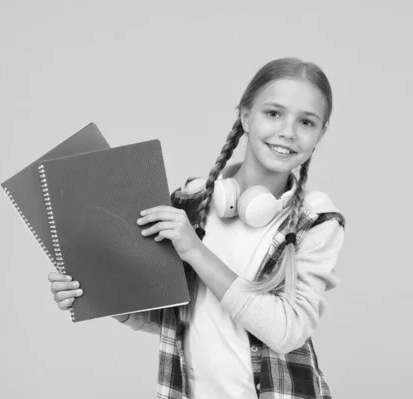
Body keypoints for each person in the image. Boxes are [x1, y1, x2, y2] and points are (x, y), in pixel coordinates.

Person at [48, 57, 346, 399]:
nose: (288, 132)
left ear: (319, 134)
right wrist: (96, 294)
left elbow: (286, 331)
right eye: (273, 113)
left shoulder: (316, 220)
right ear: (246, 116)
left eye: (306, 122)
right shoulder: (190, 205)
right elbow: (172, 319)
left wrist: (195, 251)